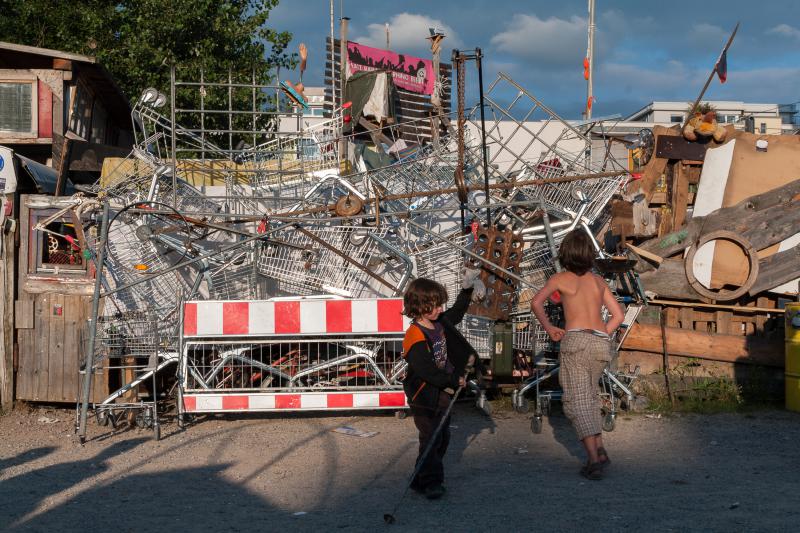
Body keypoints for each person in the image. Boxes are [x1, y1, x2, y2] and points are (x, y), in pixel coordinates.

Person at [530, 229, 625, 480]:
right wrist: (602, 332)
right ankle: (600, 449)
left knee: (576, 401)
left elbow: (536, 302)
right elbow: (619, 316)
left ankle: (593, 460)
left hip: (576, 342)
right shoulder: (598, 281)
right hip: (600, 343)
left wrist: (550, 328)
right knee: (591, 396)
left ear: (565, 254)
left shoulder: (561, 279)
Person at [401, 271, 483, 499]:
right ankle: (432, 482)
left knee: (442, 436)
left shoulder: (438, 322)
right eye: (434, 306)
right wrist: (452, 379)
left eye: (440, 305)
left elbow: (456, 312)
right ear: (419, 306)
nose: (439, 310)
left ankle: (419, 478)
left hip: (443, 392)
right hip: (424, 395)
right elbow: (425, 370)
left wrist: (467, 290)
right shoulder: (414, 335)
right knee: (432, 437)